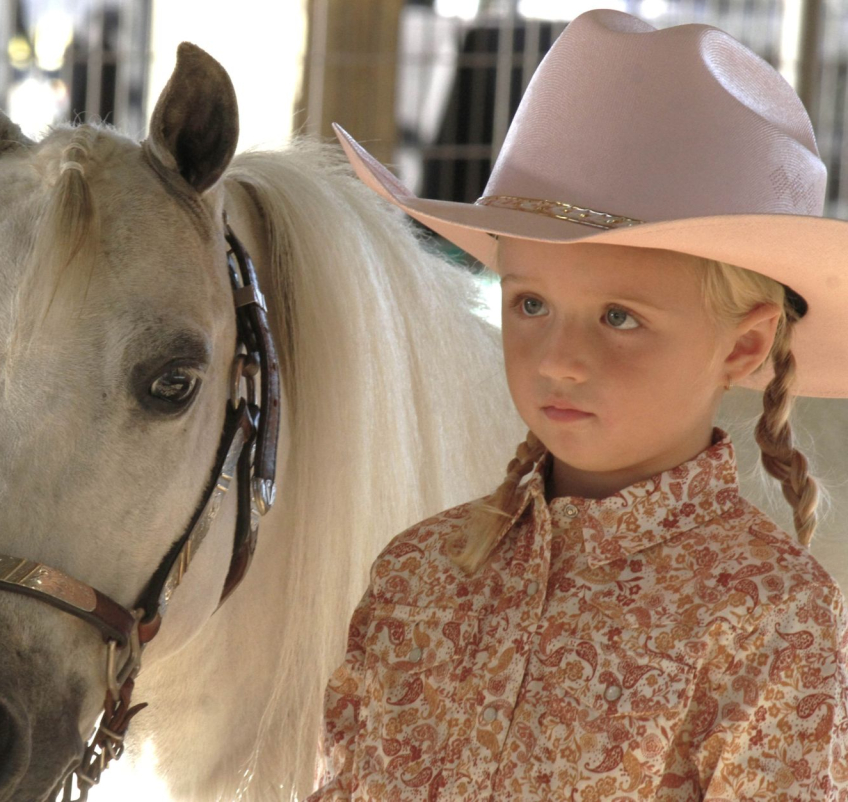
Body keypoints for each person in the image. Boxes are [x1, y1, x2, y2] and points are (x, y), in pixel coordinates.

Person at [310, 9, 848, 801]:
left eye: (620, 317)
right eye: (529, 305)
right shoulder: (418, 577)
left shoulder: (767, 616)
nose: (558, 358)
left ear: (742, 347)